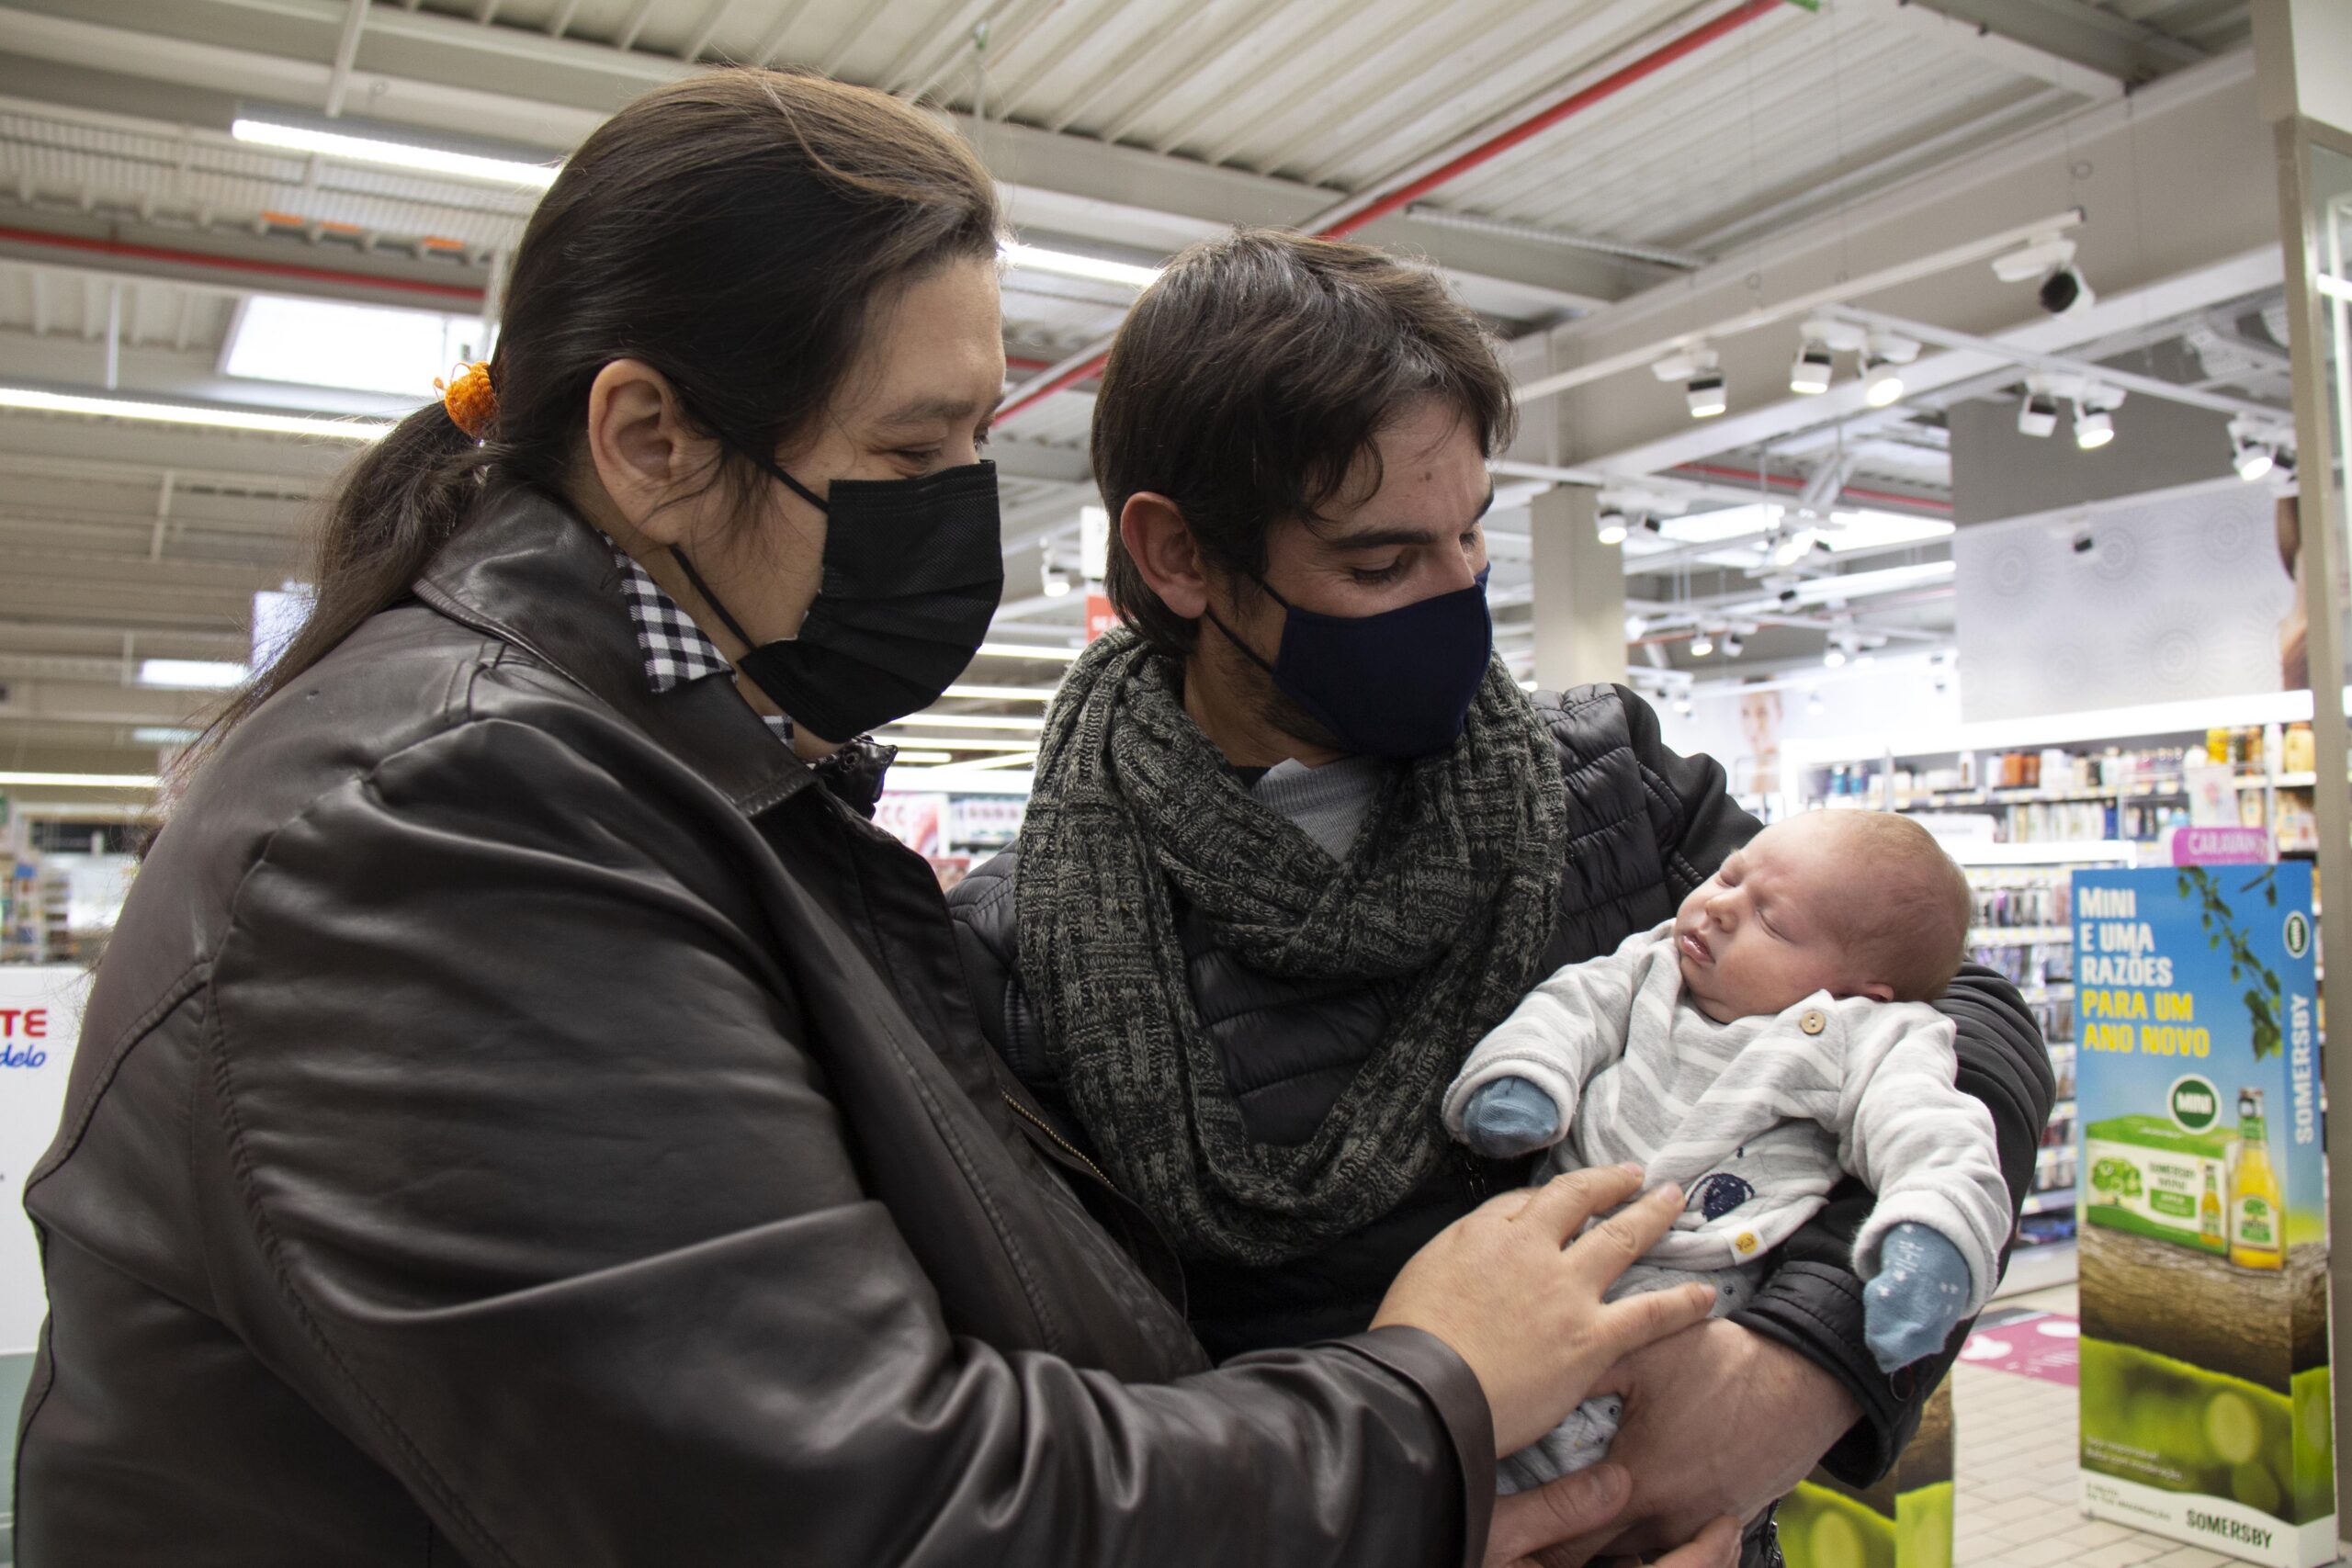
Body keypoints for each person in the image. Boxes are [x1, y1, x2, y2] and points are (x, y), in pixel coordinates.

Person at [14, 73, 1739, 1568]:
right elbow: (869, 1504)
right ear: (648, 438)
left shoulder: (691, 781)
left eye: (976, 438)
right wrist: (1431, 1392)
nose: (963, 513)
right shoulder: (440, 825)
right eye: (916, 453)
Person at [947, 228, 2056, 1565]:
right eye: (1380, 563)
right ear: (1181, 556)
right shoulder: (1021, 956)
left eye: (1471, 533)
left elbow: (1949, 1015)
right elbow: (1074, 1422)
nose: (1460, 596)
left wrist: (1800, 1368)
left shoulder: (1613, 788)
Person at [1444, 811, 2011, 1490]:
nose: (1716, 906)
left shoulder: (1867, 1035)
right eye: (1729, 874)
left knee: (1609, 1477)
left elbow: (1933, 1127)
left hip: (1704, 1292)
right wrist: (1529, 1076)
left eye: (1771, 922)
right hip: (1544, 1268)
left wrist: (1931, 1232)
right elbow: (1569, 1006)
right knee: (1486, 1453)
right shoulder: (1653, 964)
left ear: (1857, 989)